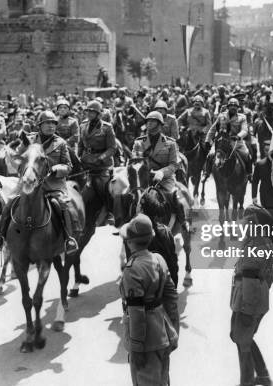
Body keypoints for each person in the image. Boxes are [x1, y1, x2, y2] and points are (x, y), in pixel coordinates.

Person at [0, 111, 79, 254]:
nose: (51, 126)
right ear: (40, 125)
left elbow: (68, 166)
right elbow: (18, 158)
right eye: (47, 123)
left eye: (53, 123)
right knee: (10, 201)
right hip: (29, 182)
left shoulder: (61, 143)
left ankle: (68, 239)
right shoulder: (29, 140)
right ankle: (0, 236)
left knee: (61, 205)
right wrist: (26, 171)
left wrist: (55, 169)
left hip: (53, 183)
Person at [119, 213, 179, 386]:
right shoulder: (159, 259)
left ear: (130, 242)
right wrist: (173, 332)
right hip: (163, 334)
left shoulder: (132, 270)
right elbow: (172, 298)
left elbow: (136, 313)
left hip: (145, 344)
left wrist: (136, 350)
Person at [230, 205, 273, 386]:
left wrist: (248, 309)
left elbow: (249, 275)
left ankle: (247, 381)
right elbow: (270, 276)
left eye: (248, 221)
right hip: (252, 295)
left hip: (249, 298)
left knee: (241, 337)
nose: (244, 223)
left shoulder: (256, 243)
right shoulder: (257, 239)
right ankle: (263, 375)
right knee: (240, 336)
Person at [132, 111, 189, 233]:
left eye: (152, 121)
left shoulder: (170, 143)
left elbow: (174, 164)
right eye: (147, 121)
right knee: (130, 198)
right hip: (144, 180)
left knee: (176, 199)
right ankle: (125, 224)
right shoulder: (138, 142)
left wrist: (162, 173)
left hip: (165, 180)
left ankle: (183, 224)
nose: (149, 123)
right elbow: (134, 162)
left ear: (159, 124)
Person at [78, 99, 117, 228]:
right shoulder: (82, 125)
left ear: (98, 114)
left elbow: (112, 148)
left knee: (103, 187)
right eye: (87, 111)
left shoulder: (107, 127)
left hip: (102, 164)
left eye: (92, 112)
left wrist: (101, 158)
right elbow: (80, 145)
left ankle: (110, 213)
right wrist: (78, 157)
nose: (89, 114)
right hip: (85, 162)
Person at [204, 97, 252, 179]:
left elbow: (245, 130)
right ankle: (206, 173)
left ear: (238, 108)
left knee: (247, 154)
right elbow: (213, 129)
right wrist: (207, 140)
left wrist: (238, 136)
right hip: (222, 142)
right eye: (231, 106)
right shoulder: (221, 116)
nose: (233, 108)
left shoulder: (242, 117)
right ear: (228, 107)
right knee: (211, 154)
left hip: (236, 142)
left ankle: (249, 174)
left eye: (235, 106)